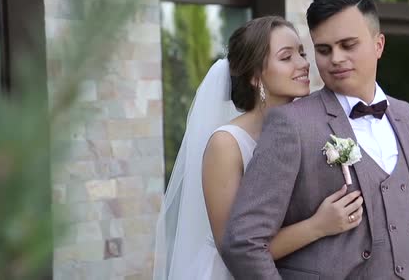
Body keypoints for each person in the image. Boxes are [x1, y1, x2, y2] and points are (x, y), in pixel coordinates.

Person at [221, 0, 409, 279]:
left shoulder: (404, 114)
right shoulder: (291, 124)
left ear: (379, 45)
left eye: (348, 45)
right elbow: (243, 242)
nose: (335, 58)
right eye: (323, 50)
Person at [153, 16, 364, 280]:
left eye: (301, 53)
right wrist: (318, 226)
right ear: (255, 76)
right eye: (286, 57)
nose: (303, 64)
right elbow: (234, 248)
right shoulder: (226, 144)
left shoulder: (312, 129)